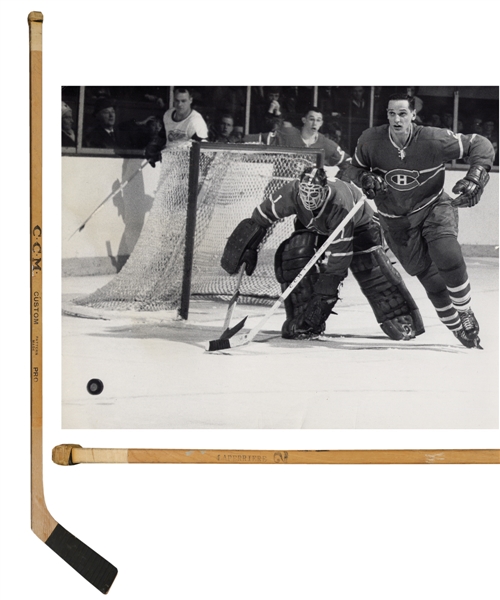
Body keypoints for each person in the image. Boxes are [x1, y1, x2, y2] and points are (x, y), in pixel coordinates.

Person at [345, 92, 495, 349]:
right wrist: (363, 179)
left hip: (432, 207)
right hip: (396, 223)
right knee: (433, 284)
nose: (396, 119)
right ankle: (456, 327)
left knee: (447, 253)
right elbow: (352, 168)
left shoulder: (433, 139)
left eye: (402, 113)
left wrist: (475, 176)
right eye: (391, 113)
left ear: (413, 115)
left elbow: (480, 144)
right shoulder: (370, 140)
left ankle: (465, 311)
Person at [220, 166, 423, 342]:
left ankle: (401, 318)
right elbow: (262, 216)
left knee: (370, 267)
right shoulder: (291, 193)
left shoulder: (340, 204)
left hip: (361, 227)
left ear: (324, 190)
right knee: (295, 253)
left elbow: (339, 257)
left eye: (314, 194)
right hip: (318, 227)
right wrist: (249, 245)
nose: (308, 199)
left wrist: (327, 290)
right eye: (304, 193)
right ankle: (303, 319)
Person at [267, 107, 351, 176]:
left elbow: (349, 163)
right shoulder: (288, 134)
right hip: (283, 187)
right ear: (304, 120)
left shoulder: (327, 144)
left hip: (309, 191)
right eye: (311, 119)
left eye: (318, 120)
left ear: (321, 123)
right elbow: (262, 138)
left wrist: (336, 171)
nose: (314, 123)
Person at [145, 87, 208, 166]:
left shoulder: (196, 122)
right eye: (177, 101)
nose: (179, 104)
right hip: (169, 166)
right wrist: (153, 147)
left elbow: (203, 153)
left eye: (183, 101)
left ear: (190, 100)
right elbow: (162, 136)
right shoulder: (168, 115)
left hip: (187, 168)